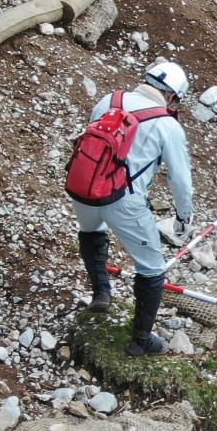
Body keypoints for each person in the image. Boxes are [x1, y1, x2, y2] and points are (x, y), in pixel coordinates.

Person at [68, 60, 195, 357]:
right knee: (152, 268)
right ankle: (141, 340)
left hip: (81, 187)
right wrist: (183, 216)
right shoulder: (167, 124)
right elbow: (180, 180)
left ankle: (101, 294)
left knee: (91, 230)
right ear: (172, 96)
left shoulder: (108, 100)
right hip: (123, 200)